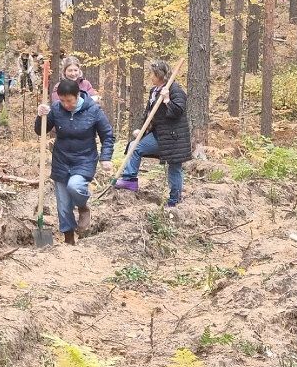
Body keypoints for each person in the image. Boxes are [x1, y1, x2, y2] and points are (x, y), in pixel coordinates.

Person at [36, 78, 115, 244]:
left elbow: (107, 134)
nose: (66, 104)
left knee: (75, 186)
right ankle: (69, 239)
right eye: (62, 100)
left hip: (84, 158)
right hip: (61, 159)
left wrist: (106, 157)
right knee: (63, 205)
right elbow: (40, 130)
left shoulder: (93, 110)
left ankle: (83, 206)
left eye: (69, 100)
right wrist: (41, 115)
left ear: (77, 95)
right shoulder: (56, 109)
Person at [114, 59, 192, 208]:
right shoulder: (154, 91)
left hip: (174, 138)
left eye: (152, 74)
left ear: (160, 75)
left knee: (174, 168)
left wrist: (167, 100)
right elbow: (149, 113)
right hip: (159, 135)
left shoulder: (176, 90)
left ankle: (174, 199)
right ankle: (129, 180)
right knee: (134, 146)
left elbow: (178, 111)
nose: (150, 76)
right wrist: (142, 130)